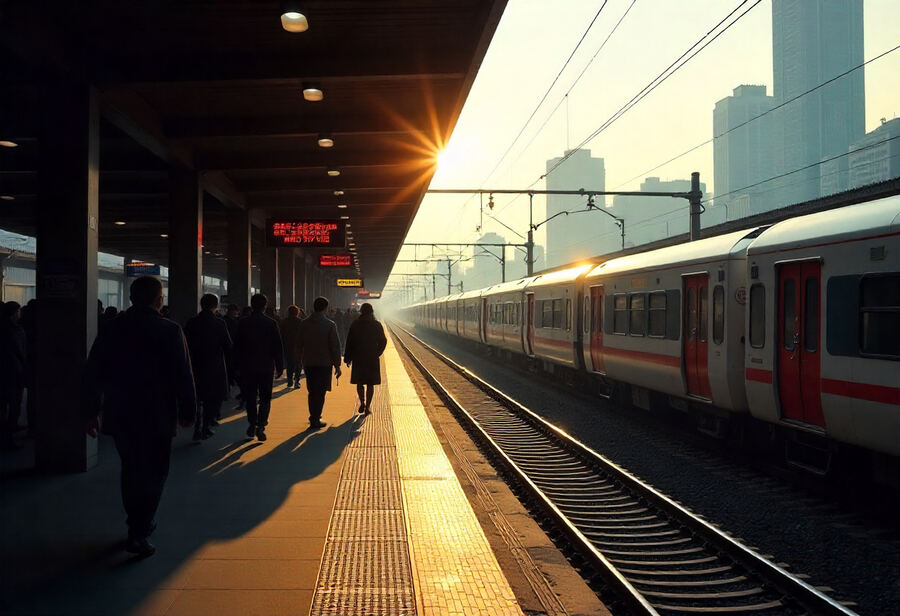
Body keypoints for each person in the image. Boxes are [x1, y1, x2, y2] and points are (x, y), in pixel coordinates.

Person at [83, 276, 196, 557]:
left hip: (121, 412)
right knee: (155, 472)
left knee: (131, 469)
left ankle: (137, 523)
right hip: (158, 413)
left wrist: (89, 411)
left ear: (131, 298)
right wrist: (189, 410)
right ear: (159, 300)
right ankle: (140, 529)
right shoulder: (170, 330)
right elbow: (184, 374)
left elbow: (93, 373)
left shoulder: (112, 328)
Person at [233, 294, 283, 441]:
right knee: (265, 397)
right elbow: (277, 347)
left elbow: (237, 346)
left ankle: (252, 423)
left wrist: (236, 366)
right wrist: (280, 366)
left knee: (250, 397)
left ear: (252, 305)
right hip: (266, 367)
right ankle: (261, 425)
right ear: (265, 306)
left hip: (247, 367)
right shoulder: (271, 323)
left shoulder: (243, 323)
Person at [184, 294, 232, 440]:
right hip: (214, 366)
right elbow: (228, 345)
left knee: (198, 397)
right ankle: (206, 426)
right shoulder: (219, 323)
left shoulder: (191, 322)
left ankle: (197, 427)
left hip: (195, 365)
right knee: (213, 398)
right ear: (215, 305)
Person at [297, 297, 342, 430]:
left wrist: (298, 360)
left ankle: (313, 417)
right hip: (324, 363)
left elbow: (299, 344)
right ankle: (316, 417)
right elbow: (335, 346)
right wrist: (337, 365)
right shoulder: (330, 324)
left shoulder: (304, 324)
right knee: (321, 392)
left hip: (309, 362)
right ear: (325, 308)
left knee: (312, 391)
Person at [343, 303, 387, 414]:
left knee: (360, 382)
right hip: (372, 357)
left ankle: (362, 402)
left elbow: (349, 342)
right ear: (372, 311)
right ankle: (368, 406)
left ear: (361, 311)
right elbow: (383, 341)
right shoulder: (376, 325)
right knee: (370, 383)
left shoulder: (355, 324)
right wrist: (377, 353)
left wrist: (348, 357)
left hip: (358, 357)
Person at [0, 301, 27, 450]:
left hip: (6, 372)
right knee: (14, 405)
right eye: (18, 311)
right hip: (14, 372)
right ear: (13, 313)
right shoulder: (15, 331)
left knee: (4, 406)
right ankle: (8, 437)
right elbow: (20, 351)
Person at [279, 305, 303, 389]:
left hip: (287, 345)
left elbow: (281, 334)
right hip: (298, 346)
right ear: (297, 312)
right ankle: (297, 380)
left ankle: (289, 380)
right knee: (298, 364)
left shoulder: (284, 322)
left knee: (290, 363)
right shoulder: (300, 322)